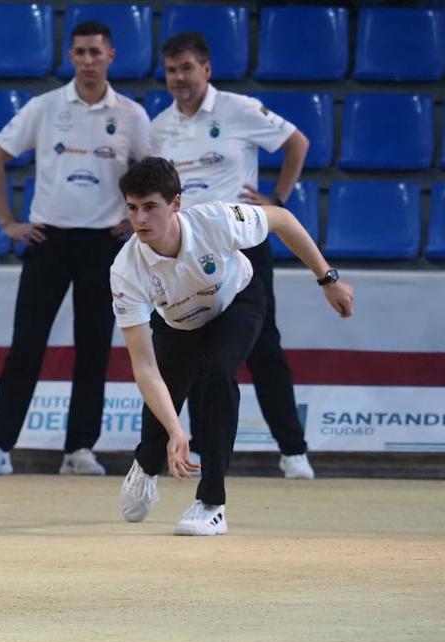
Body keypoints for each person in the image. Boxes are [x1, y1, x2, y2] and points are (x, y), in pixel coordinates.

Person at [112, 157, 354, 536]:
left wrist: (328, 279)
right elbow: (145, 368)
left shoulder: (216, 219)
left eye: (150, 207)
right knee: (164, 405)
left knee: (217, 376)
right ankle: (145, 465)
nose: (140, 219)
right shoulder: (126, 270)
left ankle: (211, 503)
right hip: (179, 322)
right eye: (132, 208)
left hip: (237, 300)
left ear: (176, 203)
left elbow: (284, 221)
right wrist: (177, 432)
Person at [0, 21, 151, 478]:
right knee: (26, 346)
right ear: (70, 57)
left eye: (96, 52)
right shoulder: (45, 108)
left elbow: (156, 179)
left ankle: (79, 449)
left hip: (104, 245)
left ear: (111, 55)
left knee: (94, 349)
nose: (88, 61)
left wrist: (134, 222)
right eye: (80, 53)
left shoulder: (131, 115)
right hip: (47, 239)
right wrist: (7, 222)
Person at [152, 32, 317, 480]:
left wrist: (277, 198)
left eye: (187, 68)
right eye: (171, 70)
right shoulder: (159, 127)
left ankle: (292, 449)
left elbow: (296, 143)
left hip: (242, 242)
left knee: (264, 347)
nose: (179, 78)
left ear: (206, 69)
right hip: (186, 252)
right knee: (198, 349)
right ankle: (204, 449)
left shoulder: (239, 109)